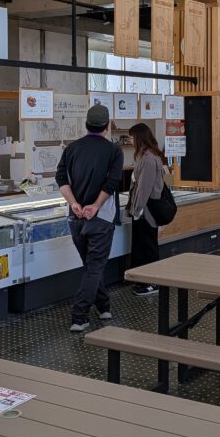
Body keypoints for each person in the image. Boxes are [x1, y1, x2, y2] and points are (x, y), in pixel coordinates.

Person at [55, 104, 124, 333]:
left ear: (86, 124)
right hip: (101, 218)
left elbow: (61, 178)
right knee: (94, 267)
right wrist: (95, 206)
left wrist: (73, 203)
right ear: (107, 126)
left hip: (75, 218)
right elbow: (112, 183)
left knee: (91, 265)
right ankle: (79, 316)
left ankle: (104, 306)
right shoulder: (114, 151)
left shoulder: (72, 148)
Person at [126, 123, 166, 297]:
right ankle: (144, 280)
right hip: (144, 211)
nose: (130, 140)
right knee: (143, 246)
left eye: (132, 137)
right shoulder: (148, 156)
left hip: (146, 212)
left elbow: (144, 188)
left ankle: (152, 282)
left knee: (148, 247)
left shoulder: (148, 159)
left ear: (139, 138)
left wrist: (137, 210)